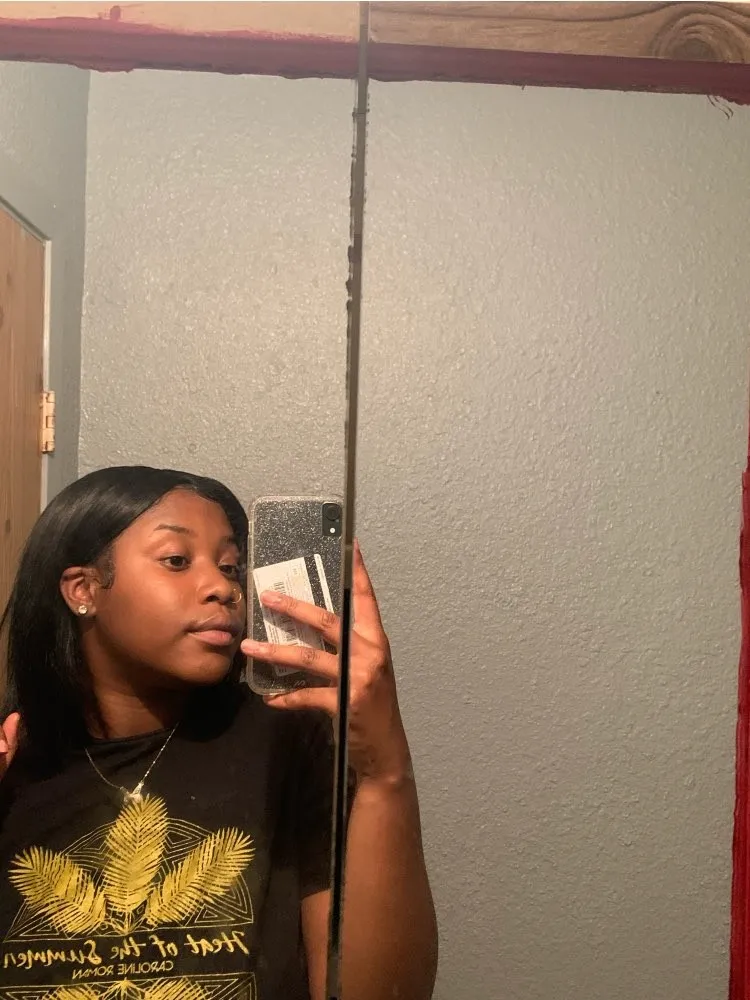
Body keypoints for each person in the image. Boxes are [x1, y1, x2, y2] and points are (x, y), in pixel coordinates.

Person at [0, 466, 437, 1000]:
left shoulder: (286, 743)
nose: (224, 588)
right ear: (83, 589)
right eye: (177, 560)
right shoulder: (14, 759)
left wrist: (385, 771)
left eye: (230, 566)